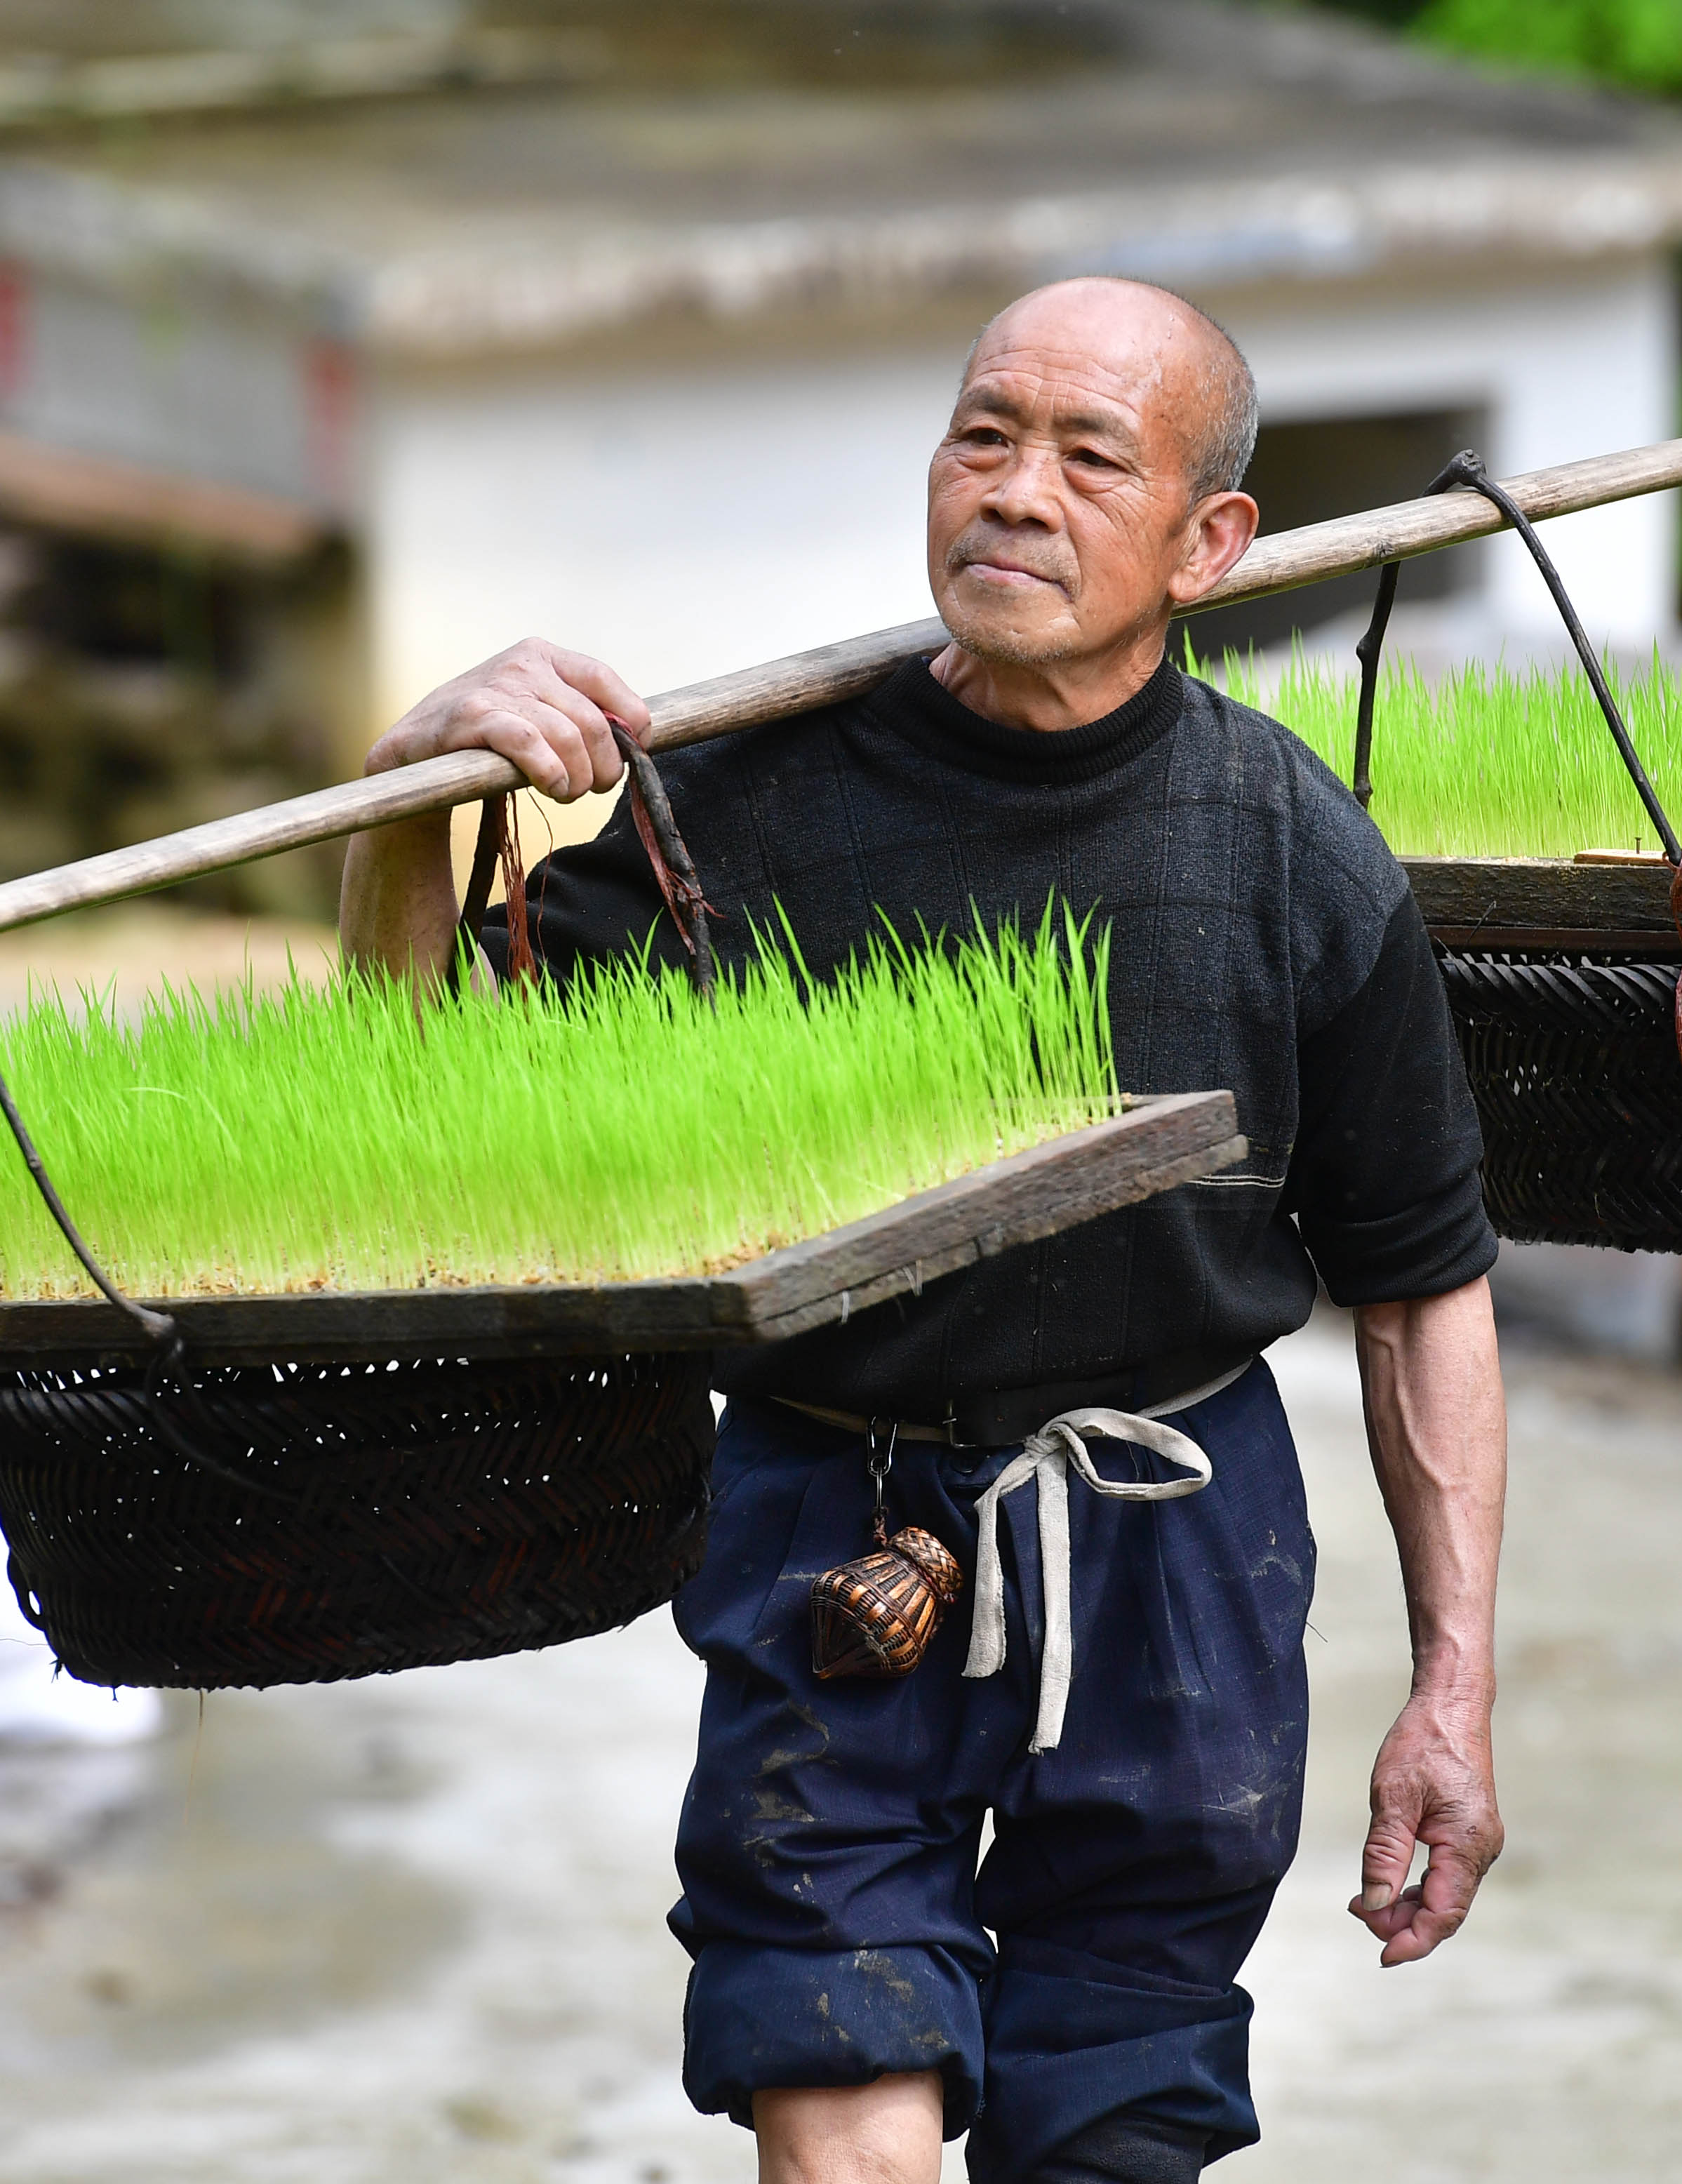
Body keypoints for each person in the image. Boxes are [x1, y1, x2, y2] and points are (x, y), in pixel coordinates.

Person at [337, 276, 1507, 2184]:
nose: (1016, 492)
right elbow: (407, 1099)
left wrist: (1449, 1688)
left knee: (1113, 2131)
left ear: (1209, 543)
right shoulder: (747, 811)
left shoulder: (1289, 845)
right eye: (984, 434)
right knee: (839, 2119)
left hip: (1172, 1541)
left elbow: (1418, 1290)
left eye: (1085, 456)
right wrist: (405, 795)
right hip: (833, 1524)